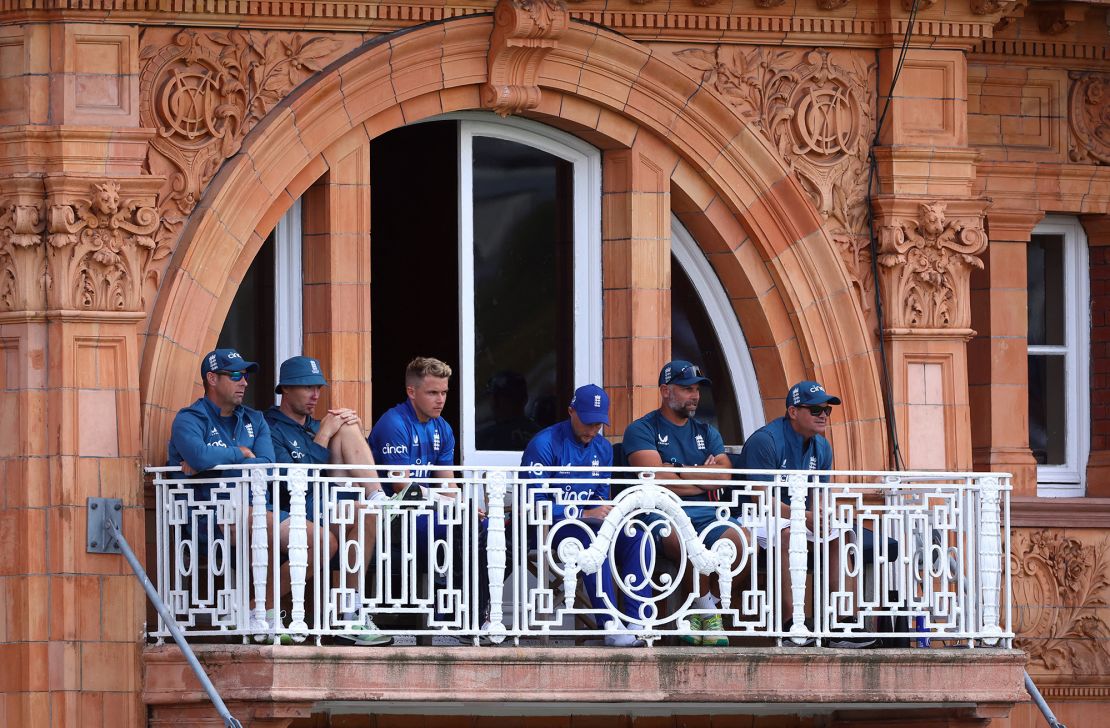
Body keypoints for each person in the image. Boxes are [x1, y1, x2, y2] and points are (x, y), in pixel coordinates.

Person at [736, 380, 884, 648]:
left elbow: (820, 495)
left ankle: (843, 623)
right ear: (793, 412)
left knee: (840, 535)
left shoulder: (822, 446)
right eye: (815, 410)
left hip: (798, 514)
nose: (824, 416)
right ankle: (793, 623)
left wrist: (822, 517)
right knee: (788, 533)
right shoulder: (765, 440)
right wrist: (804, 517)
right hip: (757, 516)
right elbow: (759, 496)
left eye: (827, 411)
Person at [265, 355, 391, 646]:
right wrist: (323, 434)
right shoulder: (269, 426)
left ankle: (351, 614)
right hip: (290, 510)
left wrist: (348, 429)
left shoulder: (320, 423)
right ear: (285, 389)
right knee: (355, 513)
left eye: (318, 388)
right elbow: (291, 484)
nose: (315, 395)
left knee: (367, 511)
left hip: (326, 506)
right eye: (306, 387)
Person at [521, 384, 650, 647]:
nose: (593, 430)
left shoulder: (603, 449)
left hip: (589, 525)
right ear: (571, 412)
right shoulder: (545, 443)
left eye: (599, 424)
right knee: (594, 541)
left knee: (638, 534)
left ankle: (639, 620)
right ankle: (610, 625)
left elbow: (602, 494)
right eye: (589, 422)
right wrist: (582, 512)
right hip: (548, 528)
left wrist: (604, 513)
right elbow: (534, 501)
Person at [368, 357, 490, 635]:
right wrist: (451, 505)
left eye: (444, 392)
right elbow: (402, 488)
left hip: (428, 515)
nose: (441, 400)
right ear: (412, 392)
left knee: (485, 528)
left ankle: (474, 614)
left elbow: (448, 486)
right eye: (432, 393)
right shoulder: (394, 422)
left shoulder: (443, 428)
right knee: (462, 526)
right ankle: (459, 617)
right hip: (395, 517)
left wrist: (464, 505)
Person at [622, 360, 738, 647]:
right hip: (659, 514)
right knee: (684, 541)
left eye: (697, 389)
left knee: (740, 540)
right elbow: (658, 479)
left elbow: (725, 474)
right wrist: (701, 474)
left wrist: (679, 469)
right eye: (687, 389)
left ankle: (699, 610)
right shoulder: (641, 428)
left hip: (708, 513)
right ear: (665, 390)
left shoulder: (706, 431)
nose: (695, 395)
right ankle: (706, 610)